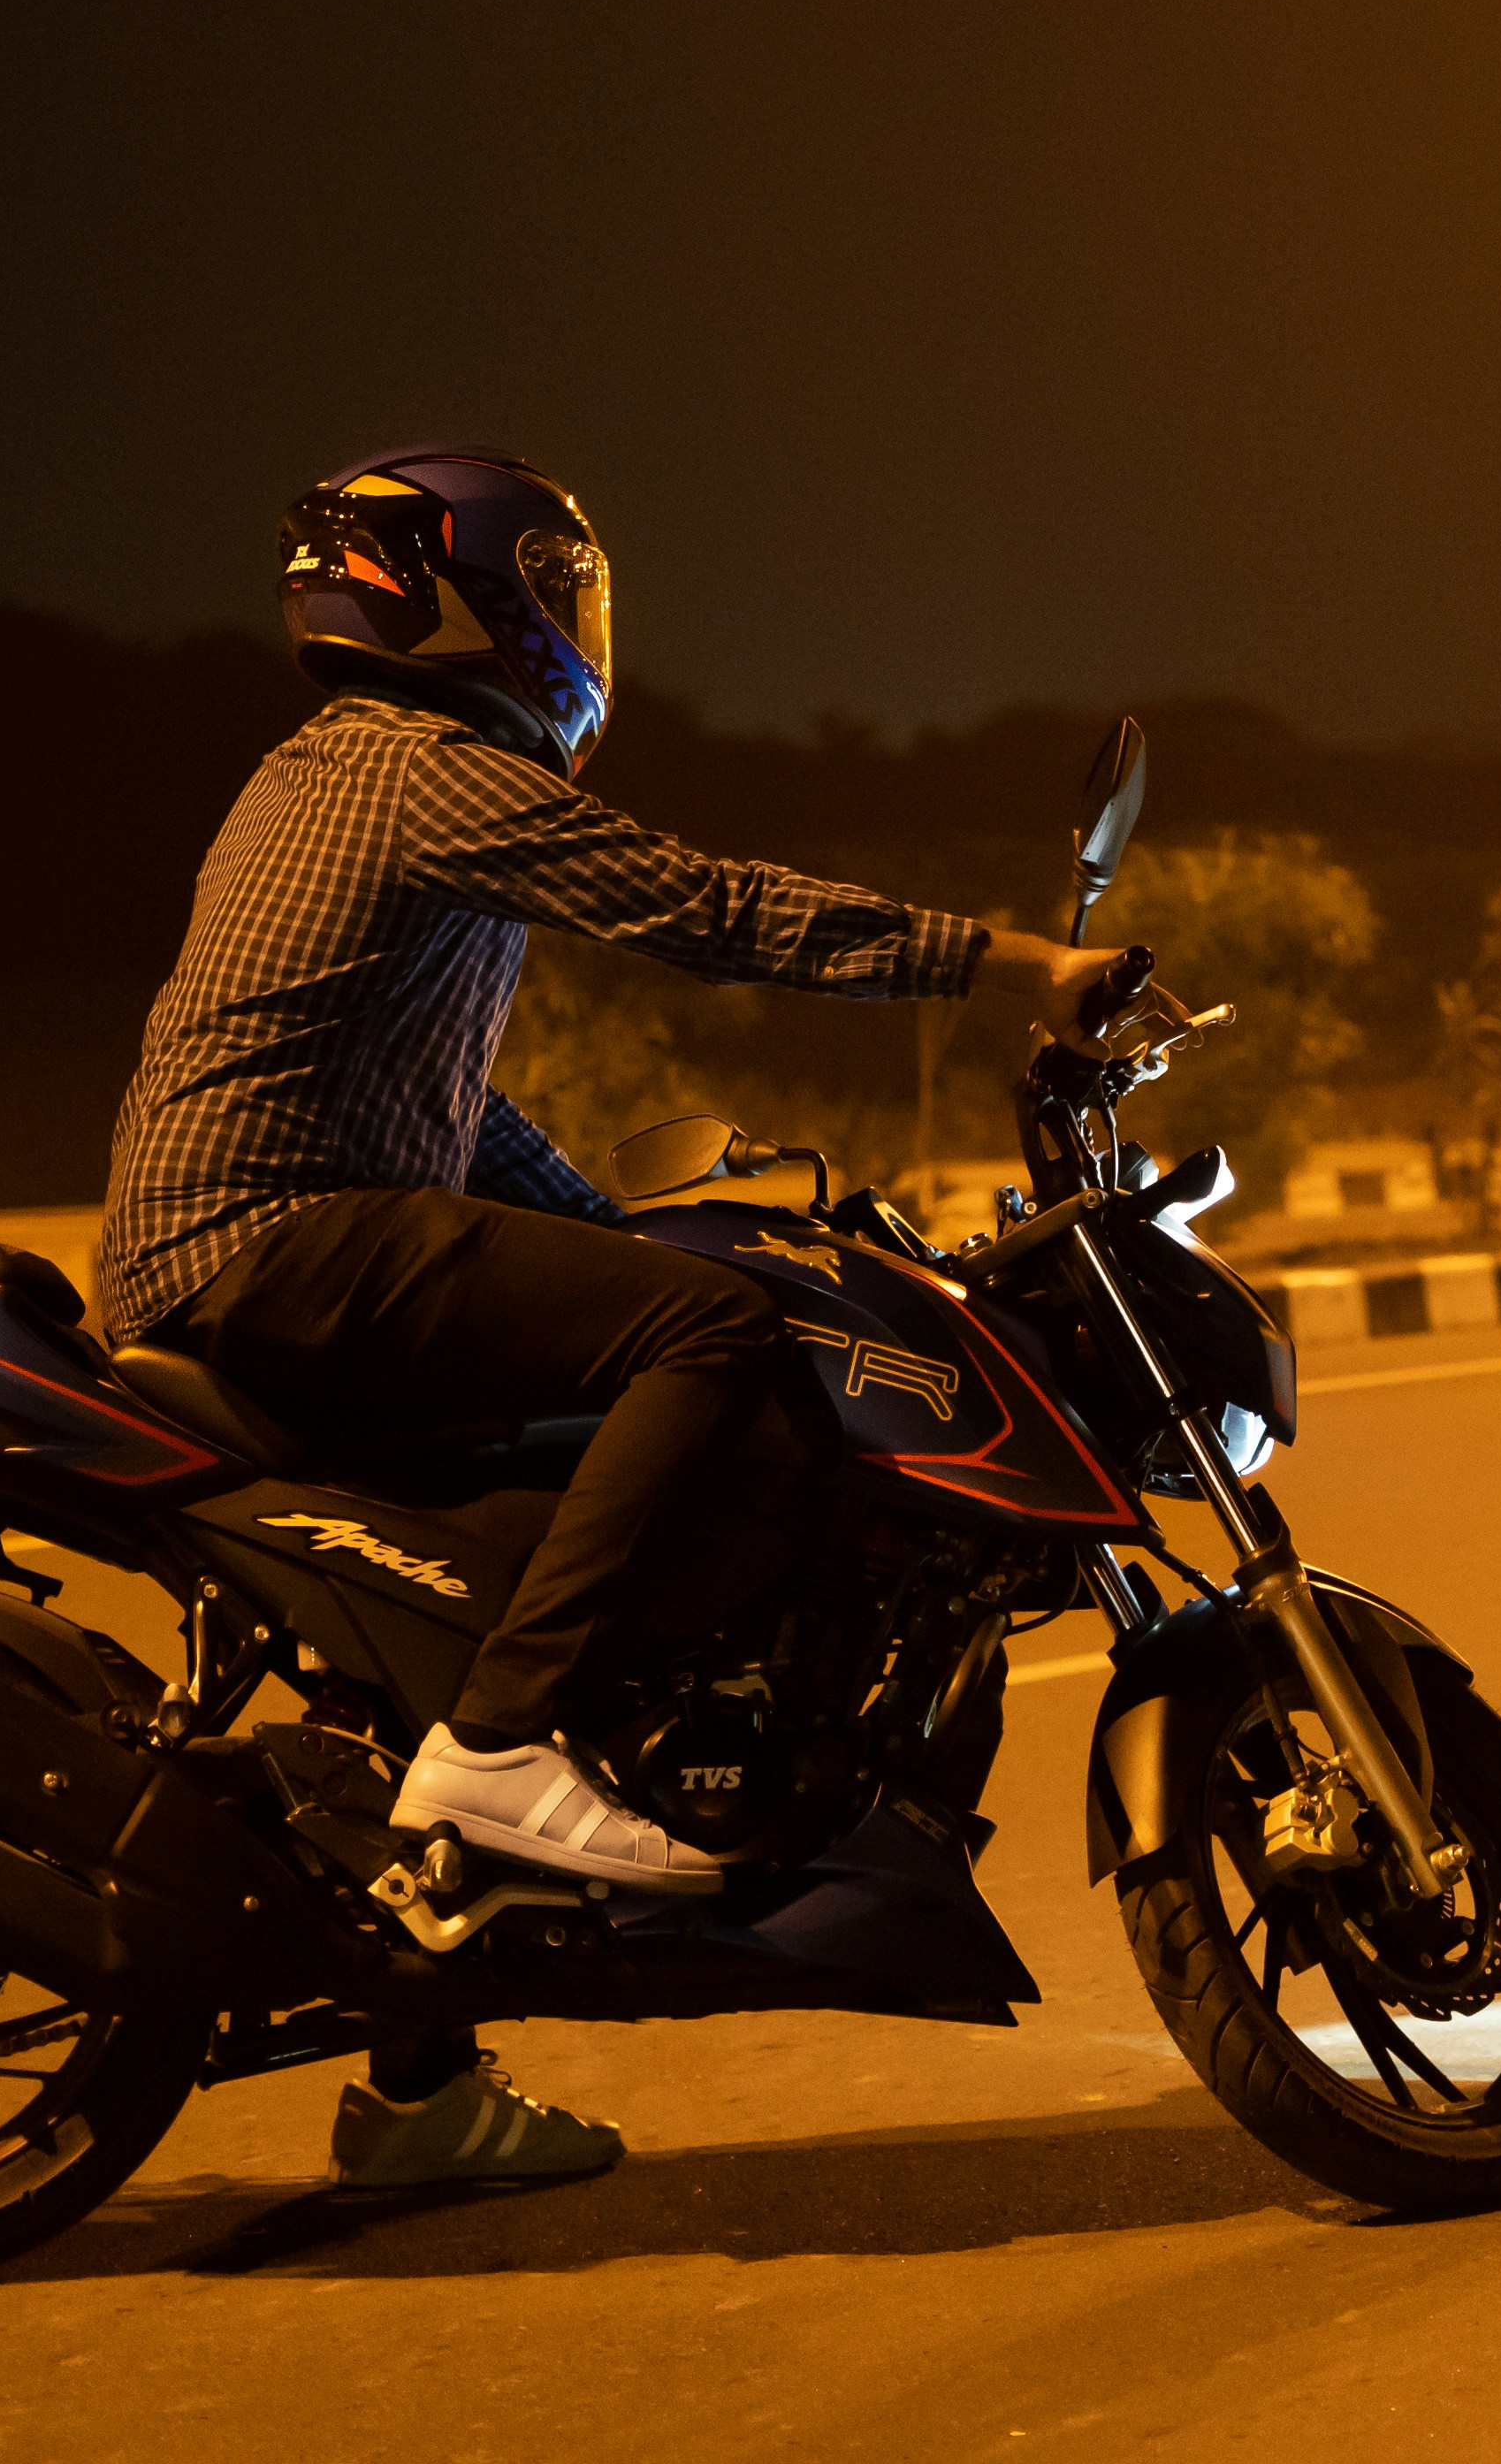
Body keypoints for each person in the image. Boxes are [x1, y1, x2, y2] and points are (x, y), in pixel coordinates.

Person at [99, 443, 1136, 2190]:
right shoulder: (424, 770)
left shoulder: (332, 778)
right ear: (481, 599)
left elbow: (449, 1105)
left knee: (540, 1482)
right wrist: (1013, 960)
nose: (578, 627)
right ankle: (505, 1753)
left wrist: (643, 1233)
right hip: (274, 1239)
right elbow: (705, 911)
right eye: (560, 590)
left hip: (252, 1237)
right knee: (707, 1348)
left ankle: (419, 2085)